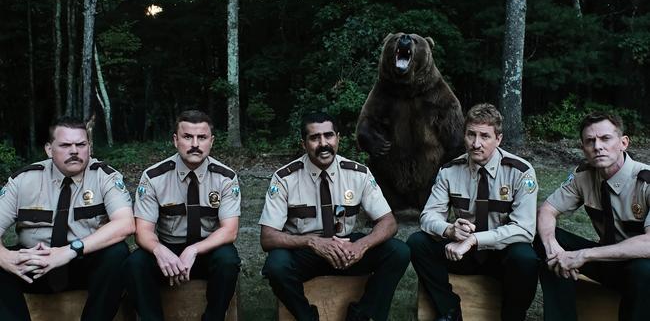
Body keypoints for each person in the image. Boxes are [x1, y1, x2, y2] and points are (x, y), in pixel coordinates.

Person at [259, 112, 410, 321]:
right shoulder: (285, 178)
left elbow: (388, 222)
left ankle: (362, 315)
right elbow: (267, 237)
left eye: (328, 136)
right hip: (307, 252)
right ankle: (306, 317)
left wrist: (361, 246)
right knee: (276, 265)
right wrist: (312, 242)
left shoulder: (358, 174)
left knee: (398, 251)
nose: (323, 143)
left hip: (346, 249)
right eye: (314, 138)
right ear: (304, 144)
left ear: (337, 138)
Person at [407, 103, 539, 321]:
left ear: (499, 139)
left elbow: (525, 230)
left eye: (485, 136)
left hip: (501, 254)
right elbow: (428, 217)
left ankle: (513, 315)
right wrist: (450, 230)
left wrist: (475, 239)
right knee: (417, 242)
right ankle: (449, 310)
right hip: (462, 252)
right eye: (471, 135)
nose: (476, 144)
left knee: (525, 258)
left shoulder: (521, 172)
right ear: (464, 135)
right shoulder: (450, 171)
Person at [0, 116, 135, 321]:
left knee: (117, 253)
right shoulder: (24, 180)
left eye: (81, 144)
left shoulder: (104, 177)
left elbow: (125, 224)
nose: (74, 151)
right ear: (48, 149)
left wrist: (70, 251)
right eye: (65, 145)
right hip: (33, 265)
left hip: (82, 263)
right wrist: (5, 257)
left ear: (89, 147)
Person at [125, 110, 241, 321]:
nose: (195, 144)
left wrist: (194, 250)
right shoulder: (154, 177)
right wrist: (159, 250)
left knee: (228, 260)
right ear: (175, 141)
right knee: (136, 263)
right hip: (168, 250)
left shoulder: (226, 178)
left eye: (202, 137)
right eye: (188, 137)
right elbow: (142, 231)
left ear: (211, 141)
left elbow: (229, 231)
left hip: (206, 250)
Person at [535, 112, 650, 321]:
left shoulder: (646, 182)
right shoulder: (584, 176)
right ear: (584, 148)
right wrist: (553, 247)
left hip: (639, 269)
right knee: (545, 240)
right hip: (607, 262)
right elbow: (547, 210)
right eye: (590, 141)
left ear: (624, 142)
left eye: (605, 138)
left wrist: (585, 255)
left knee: (645, 269)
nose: (597, 146)